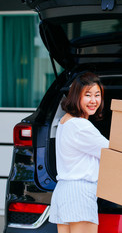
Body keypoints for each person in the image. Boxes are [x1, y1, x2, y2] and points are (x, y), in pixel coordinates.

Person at [48, 71, 109, 233]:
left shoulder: (65, 121)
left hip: (64, 192)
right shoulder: (81, 126)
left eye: (97, 95)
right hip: (80, 194)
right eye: (87, 95)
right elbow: (112, 153)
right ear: (76, 96)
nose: (94, 100)